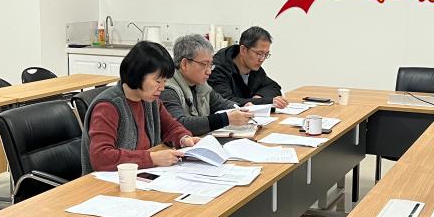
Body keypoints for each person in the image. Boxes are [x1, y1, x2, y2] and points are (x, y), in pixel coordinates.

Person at [83, 40, 199, 172]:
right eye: (158, 81)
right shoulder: (107, 106)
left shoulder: (151, 101)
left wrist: (184, 139)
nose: (162, 87)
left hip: (141, 174)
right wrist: (152, 158)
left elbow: (170, 127)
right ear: (137, 74)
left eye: (164, 81)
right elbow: (101, 157)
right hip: (108, 179)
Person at [161, 34, 254, 135]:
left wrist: (241, 108)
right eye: (204, 64)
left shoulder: (201, 85)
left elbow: (221, 104)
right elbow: (178, 125)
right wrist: (225, 119)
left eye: (211, 65)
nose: (209, 71)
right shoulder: (167, 89)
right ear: (184, 64)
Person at [209, 26, 289, 109]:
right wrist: (264, 101)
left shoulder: (253, 67)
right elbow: (226, 101)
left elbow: (273, 86)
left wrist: (258, 97)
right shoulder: (217, 69)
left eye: (266, 54)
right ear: (243, 50)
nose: (262, 59)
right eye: (259, 53)